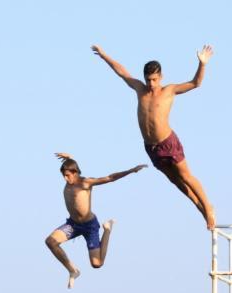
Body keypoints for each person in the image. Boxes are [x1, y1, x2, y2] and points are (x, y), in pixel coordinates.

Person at [92, 44, 216, 229]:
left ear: (161, 77)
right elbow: (122, 72)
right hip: (151, 147)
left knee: (186, 176)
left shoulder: (169, 90)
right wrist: (104, 55)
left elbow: (196, 83)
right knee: (175, 181)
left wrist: (202, 64)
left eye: (155, 79)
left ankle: (208, 207)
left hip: (168, 142)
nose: (151, 84)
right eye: (148, 80)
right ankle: (200, 208)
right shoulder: (139, 89)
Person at [45, 153, 147, 288]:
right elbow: (72, 165)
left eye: (68, 175)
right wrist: (69, 158)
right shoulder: (68, 179)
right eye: (64, 175)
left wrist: (131, 170)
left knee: (97, 264)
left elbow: (110, 178)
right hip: (73, 225)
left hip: (89, 226)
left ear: (75, 173)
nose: (65, 178)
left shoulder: (86, 182)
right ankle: (72, 270)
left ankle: (107, 229)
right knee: (50, 242)